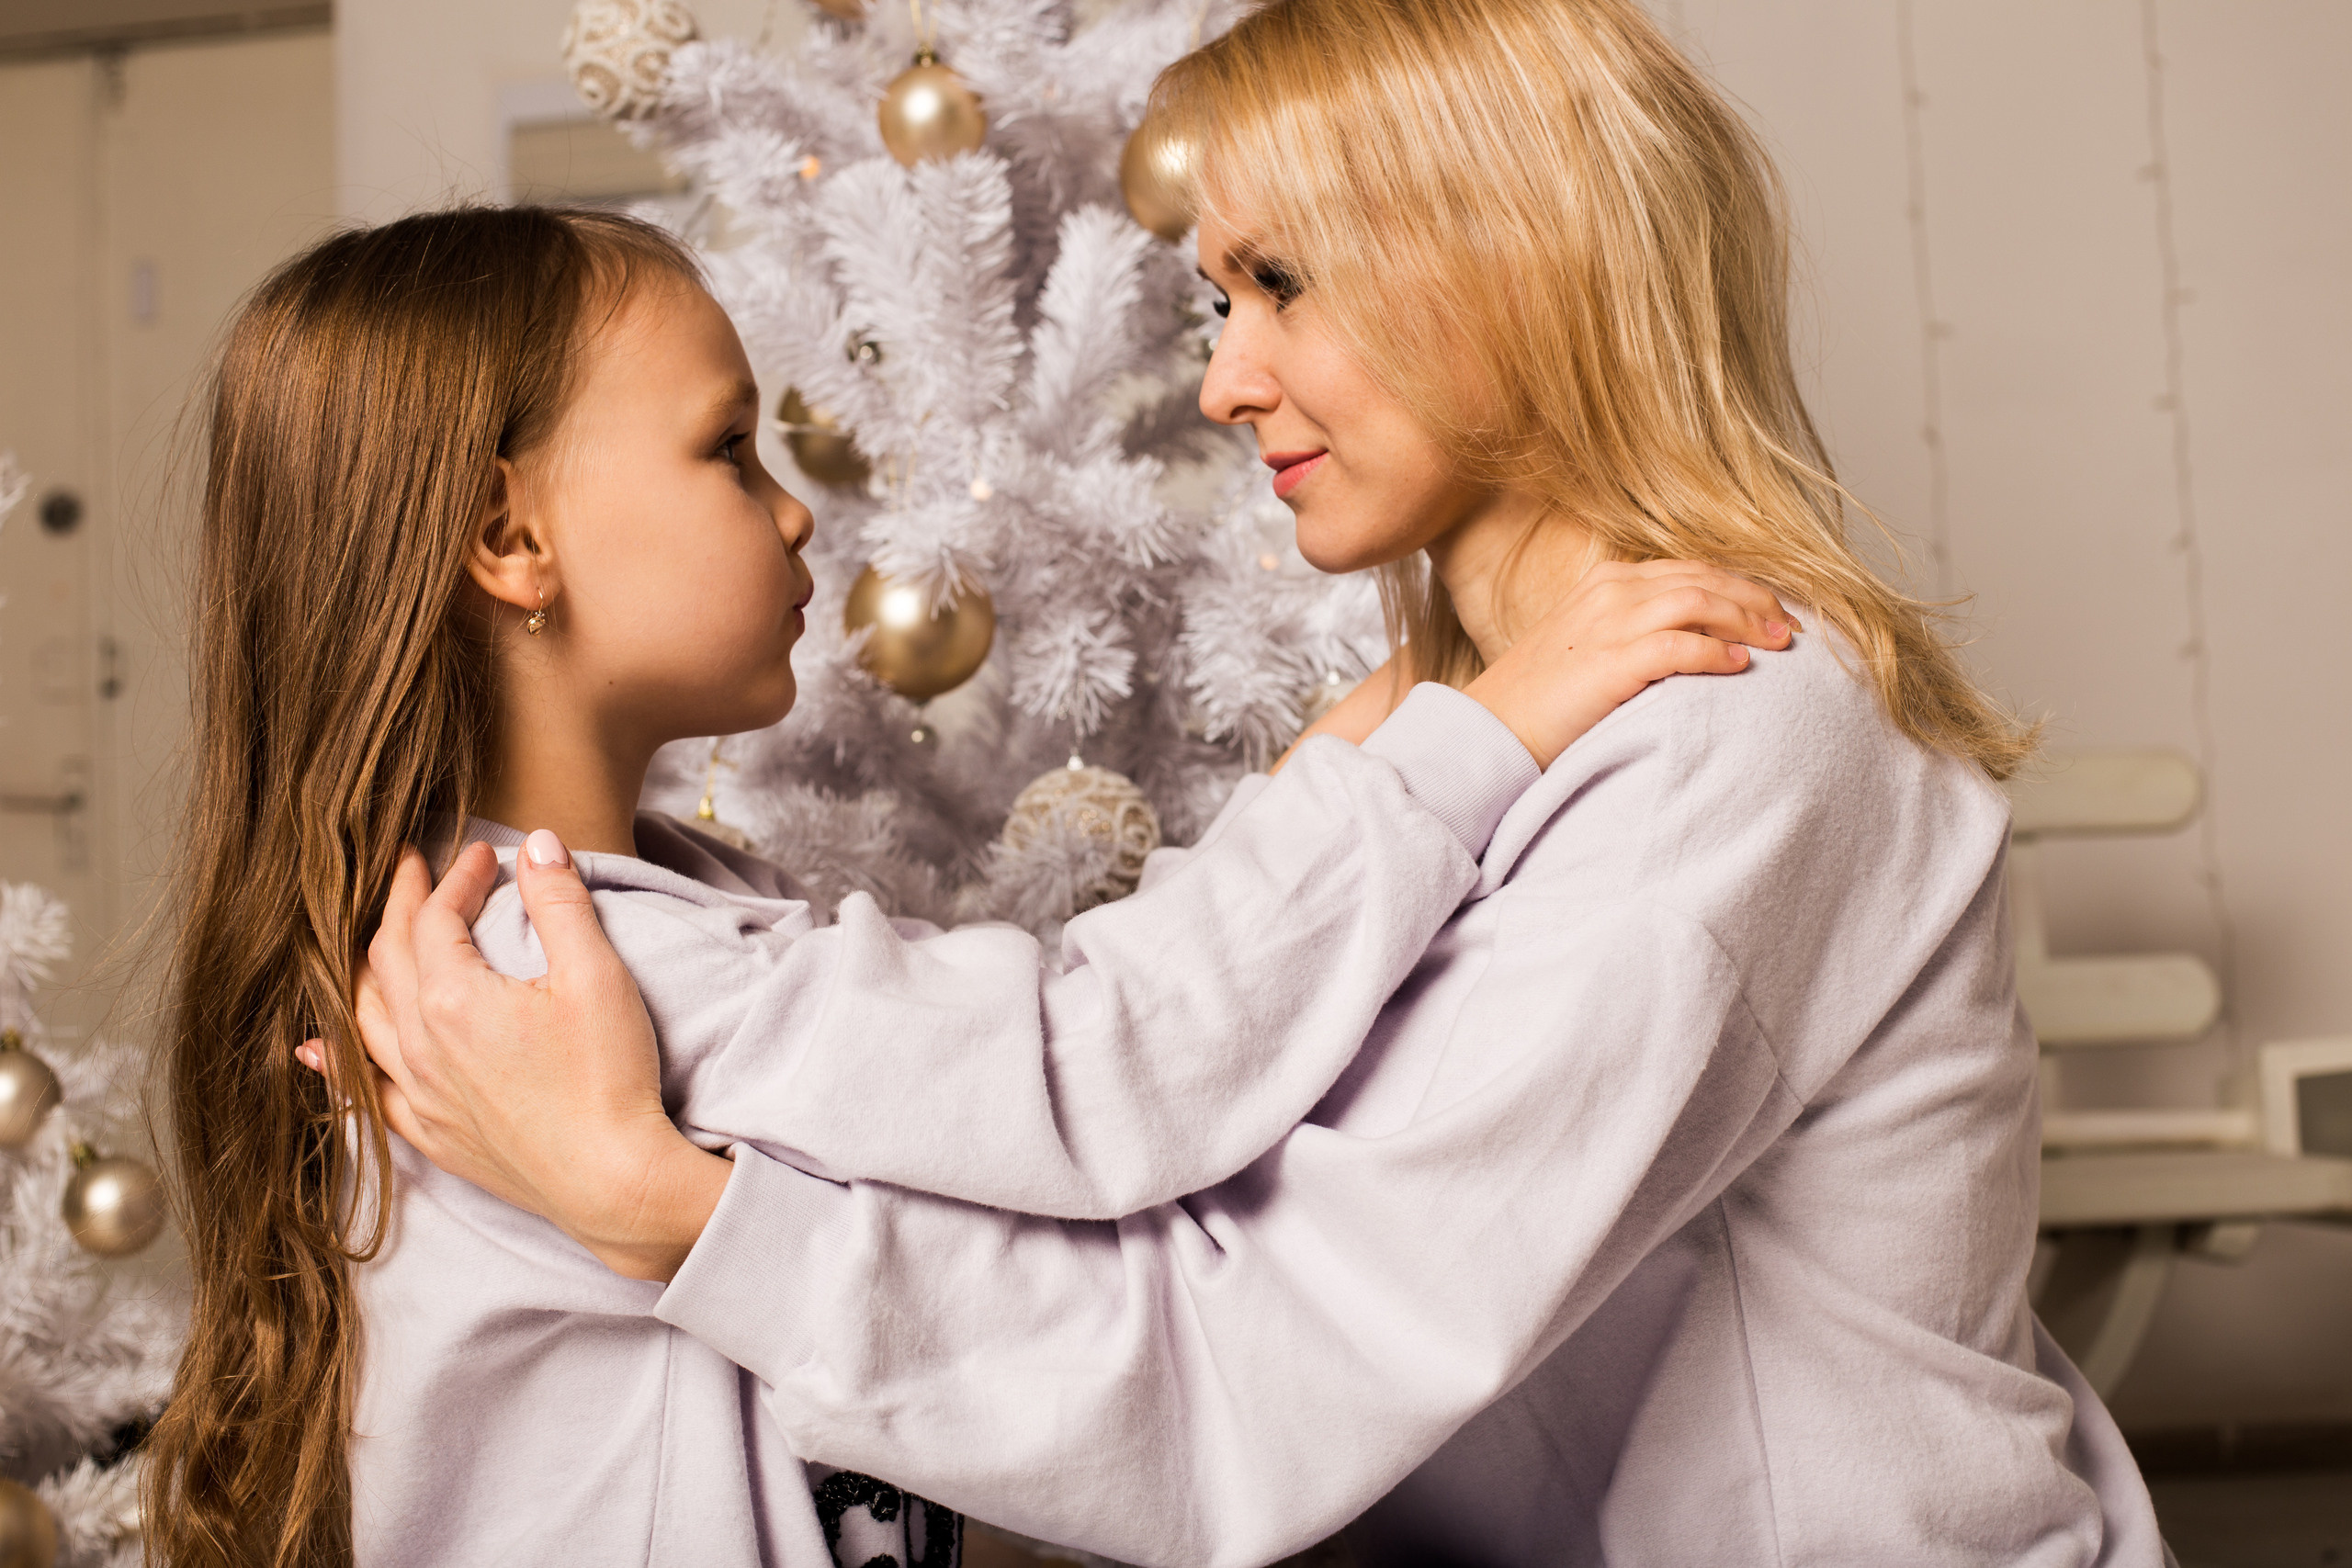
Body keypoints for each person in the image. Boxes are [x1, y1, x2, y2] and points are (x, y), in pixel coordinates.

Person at [347, 1, 2183, 1564]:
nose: (1224, 380)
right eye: (1215, 294)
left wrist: (655, 1202)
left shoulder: (1725, 726)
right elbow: (1184, 1141)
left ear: (1511, 267)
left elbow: (1255, 1372)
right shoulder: (1487, 725)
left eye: (1277, 282)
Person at [141, 202, 1785, 1566]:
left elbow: (984, 1086)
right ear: (511, 541)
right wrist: (1475, 733)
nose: (796, 507)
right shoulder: (561, 973)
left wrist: (1361, 736)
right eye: (727, 450)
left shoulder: (630, 906)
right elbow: (1099, 1072)